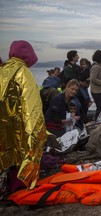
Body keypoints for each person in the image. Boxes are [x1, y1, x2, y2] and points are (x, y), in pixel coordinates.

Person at [0, 40, 47, 190]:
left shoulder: (3, 70)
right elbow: (31, 106)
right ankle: (20, 186)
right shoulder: (23, 72)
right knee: (22, 154)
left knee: (7, 154)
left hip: (3, 124)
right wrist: (37, 131)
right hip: (18, 125)